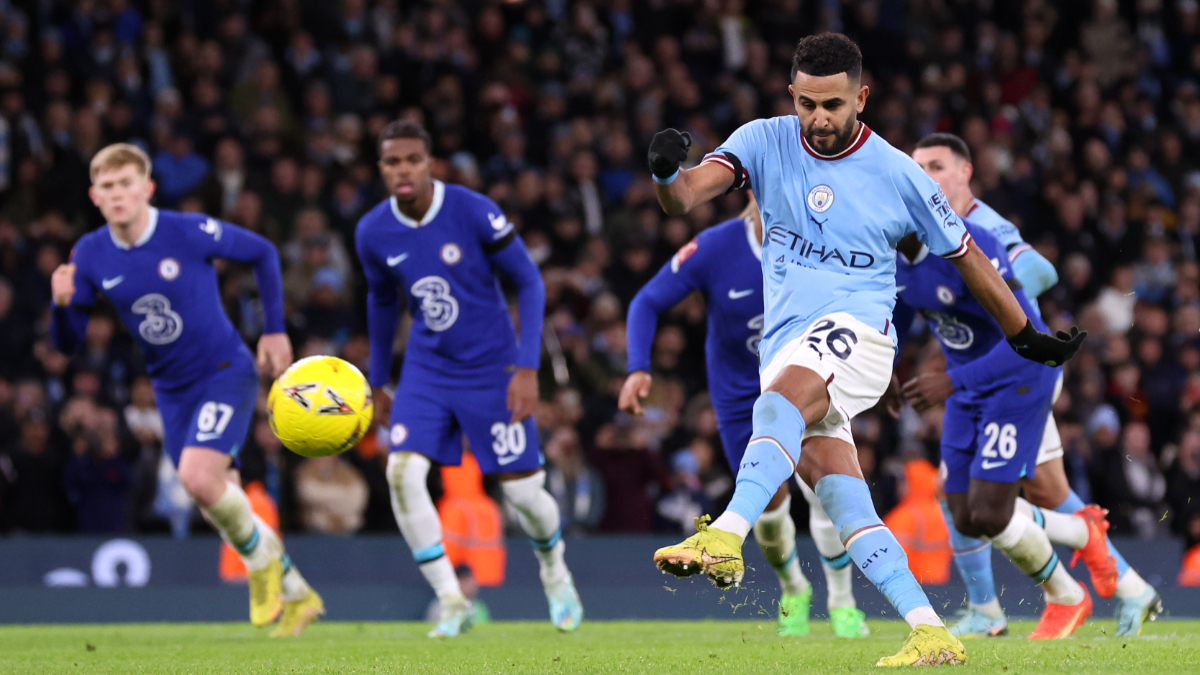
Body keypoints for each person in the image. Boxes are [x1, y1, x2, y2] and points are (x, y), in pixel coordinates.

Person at [645, 33, 1084, 666]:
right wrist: (665, 172)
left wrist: (1025, 334)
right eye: (807, 104)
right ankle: (930, 629)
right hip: (788, 340)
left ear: (861, 97)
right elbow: (686, 196)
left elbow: (968, 258)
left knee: (774, 407)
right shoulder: (762, 140)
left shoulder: (898, 173)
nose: (819, 119)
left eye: (833, 105)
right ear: (792, 95)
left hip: (860, 332)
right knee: (840, 494)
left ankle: (726, 533)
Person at [48, 143, 323, 637]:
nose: (118, 195)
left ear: (147, 188)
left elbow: (262, 251)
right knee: (218, 500)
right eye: (107, 187)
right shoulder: (90, 252)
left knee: (198, 478)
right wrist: (61, 304)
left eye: (126, 184)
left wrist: (275, 328)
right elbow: (67, 343)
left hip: (223, 370)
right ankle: (298, 592)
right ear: (94, 195)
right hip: (170, 391)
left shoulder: (186, 231)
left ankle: (261, 568)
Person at [908, 133, 1160, 637]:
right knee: (1042, 490)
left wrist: (989, 278)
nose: (925, 177)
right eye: (918, 168)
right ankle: (1130, 588)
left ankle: (995, 608)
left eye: (937, 166)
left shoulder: (984, 226)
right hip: (980, 376)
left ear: (966, 172)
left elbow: (1041, 270)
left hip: (1020, 367)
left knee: (988, 497)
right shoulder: (919, 232)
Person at [358, 120, 582, 638]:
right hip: (427, 369)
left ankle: (555, 571)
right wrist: (377, 379)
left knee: (526, 497)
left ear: (429, 162)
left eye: (412, 159)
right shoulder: (373, 231)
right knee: (401, 473)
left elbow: (527, 279)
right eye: (392, 162)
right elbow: (381, 299)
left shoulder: (473, 210)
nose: (402, 170)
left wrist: (527, 368)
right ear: (381, 169)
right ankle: (450, 600)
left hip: (493, 369)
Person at [619, 194, 868, 638]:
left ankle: (843, 601)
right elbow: (646, 301)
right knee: (770, 513)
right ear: (751, 191)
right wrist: (638, 366)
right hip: (741, 400)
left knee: (825, 494)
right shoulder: (716, 248)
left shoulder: (827, 245)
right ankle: (794, 589)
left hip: (808, 385)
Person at [893, 222, 1103, 640]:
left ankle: (1067, 596)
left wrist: (951, 381)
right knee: (964, 515)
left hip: (1018, 380)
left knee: (990, 513)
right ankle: (1082, 530)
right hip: (966, 388)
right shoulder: (891, 255)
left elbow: (1027, 338)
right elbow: (895, 310)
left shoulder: (971, 244)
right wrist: (886, 370)